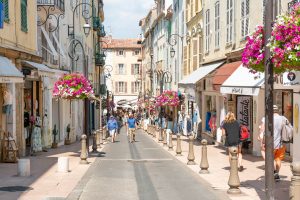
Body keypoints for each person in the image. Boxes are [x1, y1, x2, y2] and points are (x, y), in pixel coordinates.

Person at [273, 105, 288, 181]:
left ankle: (273, 172)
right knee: (278, 159)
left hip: (271, 143)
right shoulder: (283, 118)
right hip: (281, 143)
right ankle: (277, 173)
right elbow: (289, 127)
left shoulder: (268, 118)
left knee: (270, 158)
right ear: (277, 110)